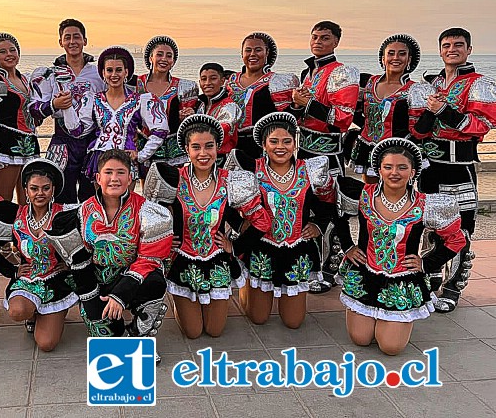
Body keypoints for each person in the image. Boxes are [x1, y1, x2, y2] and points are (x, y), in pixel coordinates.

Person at [144, 115, 271, 339]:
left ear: (217, 147)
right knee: (193, 333)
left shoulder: (230, 180)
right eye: (196, 147)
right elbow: (150, 218)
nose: (203, 153)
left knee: (214, 331)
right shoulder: (173, 179)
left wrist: (235, 245)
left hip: (217, 259)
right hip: (182, 259)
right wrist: (166, 241)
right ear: (186, 149)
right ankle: (180, 299)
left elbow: (262, 221)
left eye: (209, 146)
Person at [339, 138, 467, 355]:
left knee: (390, 347)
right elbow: (338, 216)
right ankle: (380, 319)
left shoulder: (425, 204)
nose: (394, 173)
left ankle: (393, 321)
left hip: (402, 280)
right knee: (360, 339)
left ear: (413, 171)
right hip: (364, 275)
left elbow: (456, 240)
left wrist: (426, 263)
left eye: (402, 167)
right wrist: (348, 247)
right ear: (379, 169)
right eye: (388, 167)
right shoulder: (362, 194)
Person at [45, 150, 172, 352]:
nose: (114, 178)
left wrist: (120, 295)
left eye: (121, 172)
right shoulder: (81, 212)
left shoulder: (147, 211)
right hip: (96, 280)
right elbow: (79, 264)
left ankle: (140, 333)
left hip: (132, 275)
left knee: (155, 281)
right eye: (108, 172)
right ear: (98, 178)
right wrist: (91, 297)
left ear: (130, 177)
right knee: (108, 340)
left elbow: (148, 259)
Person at [409, 27, 496, 312]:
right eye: (447, 45)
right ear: (440, 50)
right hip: (428, 167)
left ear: (469, 49)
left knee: (461, 230)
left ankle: (453, 287)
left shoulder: (479, 83)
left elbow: (481, 126)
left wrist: (443, 111)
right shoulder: (431, 83)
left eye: (459, 45)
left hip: (459, 167)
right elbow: (418, 130)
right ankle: (429, 279)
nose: (452, 49)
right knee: (427, 225)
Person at [226, 112, 335, 329]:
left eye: (287, 141)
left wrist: (318, 225)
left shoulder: (311, 170)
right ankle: (248, 285)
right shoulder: (250, 169)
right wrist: (240, 225)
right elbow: (224, 203)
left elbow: (330, 203)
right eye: (273, 141)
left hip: (297, 249)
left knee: (294, 323)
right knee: (258, 318)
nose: (280, 147)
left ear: (295, 143)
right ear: (264, 144)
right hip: (261, 248)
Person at [289, 21, 360, 293]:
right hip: (303, 151)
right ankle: (311, 264)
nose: (318, 41)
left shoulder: (342, 72)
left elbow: (341, 121)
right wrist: (297, 105)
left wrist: (306, 103)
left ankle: (330, 268)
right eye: (315, 37)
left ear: (336, 42)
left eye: (325, 37)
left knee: (333, 211)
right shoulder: (307, 73)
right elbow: (300, 118)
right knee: (306, 207)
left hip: (329, 152)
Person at [0, 158, 77, 351]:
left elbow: (86, 244)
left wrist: (70, 265)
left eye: (45, 188)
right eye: (34, 188)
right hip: (28, 279)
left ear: (53, 189)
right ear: (25, 190)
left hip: (56, 280)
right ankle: (34, 313)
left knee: (46, 344)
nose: (39, 194)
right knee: (17, 311)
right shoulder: (14, 215)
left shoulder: (65, 215)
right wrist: (12, 271)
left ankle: (56, 312)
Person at [61, 46, 169, 182]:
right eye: (109, 70)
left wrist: (142, 155)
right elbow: (77, 131)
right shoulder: (93, 99)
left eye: (119, 70)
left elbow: (160, 130)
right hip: (100, 159)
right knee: (102, 202)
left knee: (125, 203)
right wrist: (67, 107)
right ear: (103, 73)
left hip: (127, 159)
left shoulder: (140, 100)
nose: (114, 75)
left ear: (126, 72)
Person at [29, 19, 106, 204]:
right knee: (61, 194)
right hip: (62, 141)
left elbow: (114, 100)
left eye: (77, 37)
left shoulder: (99, 73)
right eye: (67, 37)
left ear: (85, 40)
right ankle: (65, 232)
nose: (72, 41)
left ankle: (92, 231)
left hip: (93, 142)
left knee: (93, 196)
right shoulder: (50, 74)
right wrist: (54, 104)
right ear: (60, 42)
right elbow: (34, 110)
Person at [349, 35, 420, 183]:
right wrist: (367, 130)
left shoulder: (415, 90)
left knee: (397, 196)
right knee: (371, 193)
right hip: (368, 148)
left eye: (402, 54)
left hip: (399, 152)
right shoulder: (367, 83)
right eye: (391, 53)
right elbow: (352, 113)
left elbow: (419, 129)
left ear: (409, 59)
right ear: (382, 58)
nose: (396, 58)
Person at [0, 33, 42, 203]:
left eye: (12, 50)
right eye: (3, 51)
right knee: (4, 198)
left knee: (28, 197)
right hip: (6, 142)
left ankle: (23, 228)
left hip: (29, 141)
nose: (9, 54)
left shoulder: (25, 79)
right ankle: (3, 228)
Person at [226, 32, 298, 157]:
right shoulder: (230, 81)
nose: (252, 54)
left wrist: (298, 105)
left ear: (267, 52)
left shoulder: (277, 82)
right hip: (233, 147)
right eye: (248, 50)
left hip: (265, 147)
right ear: (242, 53)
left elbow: (287, 117)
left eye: (258, 50)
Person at [136, 36, 198, 172]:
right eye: (159, 54)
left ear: (173, 61)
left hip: (171, 149)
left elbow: (191, 120)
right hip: (142, 144)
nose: (164, 59)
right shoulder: (136, 84)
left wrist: (187, 116)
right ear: (150, 57)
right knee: (145, 188)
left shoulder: (184, 87)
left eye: (169, 56)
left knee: (171, 187)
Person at [195, 63, 241, 165]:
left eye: (213, 78)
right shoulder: (199, 105)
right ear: (199, 82)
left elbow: (222, 130)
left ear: (222, 81)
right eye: (203, 79)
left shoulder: (229, 106)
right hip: (202, 158)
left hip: (222, 161)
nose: (207, 83)